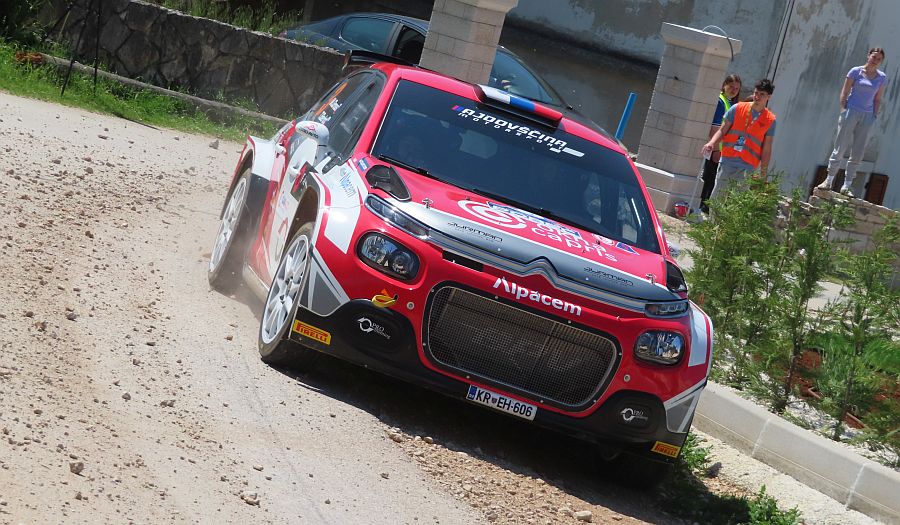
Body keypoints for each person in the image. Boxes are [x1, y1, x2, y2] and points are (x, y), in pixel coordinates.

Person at [817, 47, 887, 196]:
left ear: (881, 61)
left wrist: (874, 115)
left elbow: (877, 99)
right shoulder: (855, 71)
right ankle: (829, 179)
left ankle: (847, 184)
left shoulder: (881, 77)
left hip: (867, 115)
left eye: (879, 59)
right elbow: (845, 91)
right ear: (868, 56)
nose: (875, 60)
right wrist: (843, 110)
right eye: (874, 57)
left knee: (858, 151)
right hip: (851, 111)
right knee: (840, 146)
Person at [701, 79, 776, 201]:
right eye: (756, 93)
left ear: (769, 96)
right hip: (728, 161)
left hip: (748, 166)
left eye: (762, 94)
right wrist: (712, 143)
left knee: (736, 203)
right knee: (717, 199)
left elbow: (767, 149)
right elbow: (722, 130)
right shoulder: (737, 108)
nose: (757, 97)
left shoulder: (770, 120)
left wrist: (763, 173)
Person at [699, 74, 742, 212]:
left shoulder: (730, 103)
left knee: (715, 180)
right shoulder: (720, 102)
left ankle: (706, 207)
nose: (734, 90)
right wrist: (716, 150)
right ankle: (703, 207)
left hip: (724, 151)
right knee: (710, 180)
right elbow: (714, 128)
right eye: (731, 87)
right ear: (724, 85)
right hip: (716, 149)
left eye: (737, 88)